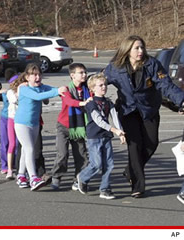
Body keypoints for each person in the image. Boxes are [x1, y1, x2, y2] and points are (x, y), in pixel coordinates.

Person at [104, 35, 184, 198]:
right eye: (136, 48)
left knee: (151, 143)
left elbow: (166, 85)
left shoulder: (152, 64)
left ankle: (130, 170)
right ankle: (137, 186)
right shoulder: (115, 67)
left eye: (142, 47)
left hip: (149, 109)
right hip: (127, 110)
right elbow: (99, 80)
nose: (140, 51)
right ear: (128, 50)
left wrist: (181, 100)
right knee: (134, 146)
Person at [14, 63, 67, 191]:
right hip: (21, 123)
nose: (37, 77)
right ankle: (33, 178)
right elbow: (38, 96)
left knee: (26, 151)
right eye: (34, 75)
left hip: (35, 123)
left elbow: (50, 89)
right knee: (30, 148)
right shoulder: (25, 89)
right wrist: (57, 91)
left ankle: (21, 175)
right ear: (27, 77)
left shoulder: (41, 87)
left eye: (39, 74)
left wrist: (61, 89)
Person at [76, 73, 126, 199]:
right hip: (94, 137)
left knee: (109, 164)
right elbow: (98, 120)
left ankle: (105, 189)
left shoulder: (108, 102)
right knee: (96, 164)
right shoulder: (91, 103)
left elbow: (114, 117)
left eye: (105, 85)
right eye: (100, 85)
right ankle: (82, 177)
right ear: (92, 88)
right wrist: (114, 130)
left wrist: (121, 132)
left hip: (106, 136)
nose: (104, 87)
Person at [50, 63, 92, 190]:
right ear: (72, 75)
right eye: (81, 72)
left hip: (79, 127)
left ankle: (79, 178)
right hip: (64, 125)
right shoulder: (66, 89)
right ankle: (56, 176)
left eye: (85, 72)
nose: (84, 75)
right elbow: (69, 102)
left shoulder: (87, 89)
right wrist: (83, 103)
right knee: (62, 154)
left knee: (81, 154)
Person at [6, 72, 21, 179]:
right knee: (12, 144)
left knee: (21, 144)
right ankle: (10, 169)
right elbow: (14, 100)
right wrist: (19, 92)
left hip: (21, 120)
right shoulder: (10, 92)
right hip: (12, 119)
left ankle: (20, 168)